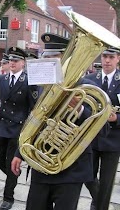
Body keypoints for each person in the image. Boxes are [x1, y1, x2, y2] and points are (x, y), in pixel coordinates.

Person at [11, 33, 99, 210]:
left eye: (55, 57)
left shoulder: (86, 86)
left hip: (71, 169)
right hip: (41, 167)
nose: (49, 61)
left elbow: (101, 129)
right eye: (46, 57)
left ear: (66, 59)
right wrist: (19, 152)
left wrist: (79, 109)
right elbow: (33, 121)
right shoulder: (41, 86)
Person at [0, 47, 38, 210]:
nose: (12, 63)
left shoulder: (29, 81)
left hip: (18, 127)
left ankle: (8, 197)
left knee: (11, 161)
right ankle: (13, 176)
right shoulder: (1, 79)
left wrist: (29, 129)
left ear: (23, 63)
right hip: (2, 125)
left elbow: (34, 107)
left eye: (16, 61)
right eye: (10, 60)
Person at [84, 47, 120, 210]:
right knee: (87, 175)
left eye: (111, 57)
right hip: (92, 137)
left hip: (113, 139)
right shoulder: (91, 78)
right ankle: (99, 202)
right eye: (104, 56)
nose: (106, 60)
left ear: (117, 59)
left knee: (107, 181)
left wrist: (116, 118)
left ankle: (100, 206)